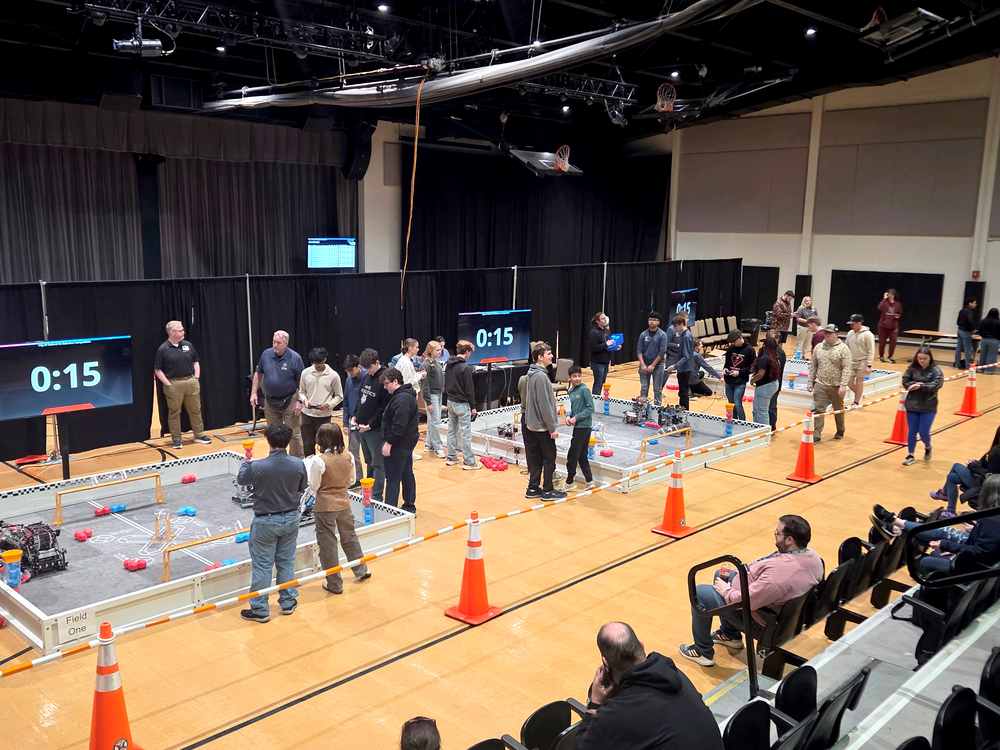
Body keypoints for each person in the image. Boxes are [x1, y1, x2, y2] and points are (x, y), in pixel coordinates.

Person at [679, 515, 823, 667]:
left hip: (764, 622)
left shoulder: (776, 579)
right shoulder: (812, 556)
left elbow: (745, 600)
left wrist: (727, 591)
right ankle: (729, 635)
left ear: (789, 540)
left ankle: (702, 651)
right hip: (777, 611)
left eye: (777, 533)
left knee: (699, 593)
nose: (775, 536)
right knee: (722, 575)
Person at [575, 622, 723, 750]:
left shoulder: (615, 714)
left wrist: (595, 704)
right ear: (641, 645)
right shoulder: (676, 674)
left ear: (606, 664)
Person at [236, 424, 307, 623]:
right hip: (291, 518)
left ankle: (260, 608)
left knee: (263, 565)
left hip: (265, 521)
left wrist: (247, 461)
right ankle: (288, 602)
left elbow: (242, 480)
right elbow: (303, 486)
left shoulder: (257, 466)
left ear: (268, 441)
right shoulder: (297, 463)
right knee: (286, 561)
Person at [872, 476, 1000, 575]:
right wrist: (976, 526)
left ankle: (896, 526)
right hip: (978, 555)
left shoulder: (990, 521)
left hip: (977, 566)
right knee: (941, 537)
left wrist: (951, 549)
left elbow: (982, 551)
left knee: (934, 550)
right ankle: (896, 527)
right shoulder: (992, 517)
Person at [304, 423, 371, 595]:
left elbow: (314, 485)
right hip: (344, 502)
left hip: (325, 505)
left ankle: (334, 583)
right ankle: (361, 569)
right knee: (350, 536)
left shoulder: (318, 461)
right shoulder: (348, 455)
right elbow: (351, 481)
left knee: (327, 544)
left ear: (321, 439)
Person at [153, 320, 212, 449]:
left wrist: (196, 377)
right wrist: (168, 384)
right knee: (174, 412)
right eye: (180, 330)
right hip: (174, 384)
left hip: (191, 381)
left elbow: (196, 362)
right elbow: (158, 369)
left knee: (195, 410)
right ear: (172, 333)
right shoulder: (163, 349)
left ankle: (199, 435)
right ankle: (176, 439)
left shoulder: (188, 345)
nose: (183, 332)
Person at [250, 330, 305, 458]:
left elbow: (302, 380)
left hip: (290, 400)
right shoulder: (266, 354)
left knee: (294, 434)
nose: (275, 345)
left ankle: (297, 461)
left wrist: (299, 401)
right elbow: (258, 373)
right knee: (273, 433)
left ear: (286, 343)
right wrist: (253, 393)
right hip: (271, 401)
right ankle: (275, 459)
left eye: (278, 343)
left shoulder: (295, 358)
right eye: (274, 342)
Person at [525, 342, 567, 500]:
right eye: (548, 354)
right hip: (542, 427)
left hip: (532, 425)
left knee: (536, 457)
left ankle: (533, 488)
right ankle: (548, 490)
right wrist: (551, 428)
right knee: (549, 458)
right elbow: (544, 405)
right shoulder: (541, 377)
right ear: (540, 357)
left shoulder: (531, 373)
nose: (551, 356)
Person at [930, 425, 1000, 515]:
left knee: (956, 466)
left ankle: (944, 493)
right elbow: (991, 466)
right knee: (952, 477)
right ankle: (950, 511)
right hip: (983, 479)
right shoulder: (995, 452)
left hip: (984, 483)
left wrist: (972, 466)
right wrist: (979, 462)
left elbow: (989, 473)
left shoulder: (997, 453)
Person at [380, 368, 419, 514]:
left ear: (396, 382)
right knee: (406, 473)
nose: (385, 387)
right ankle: (409, 506)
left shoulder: (401, 399)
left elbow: (399, 424)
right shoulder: (406, 395)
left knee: (392, 478)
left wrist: (389, 442)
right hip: (407, 443)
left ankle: (389, 512)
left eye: (386, 384)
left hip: (398, 444)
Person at [354, 349, 389, 503]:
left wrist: (370, 425)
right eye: (365, 368)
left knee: (378, 464)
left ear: (377, 363)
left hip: (375, 430)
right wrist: (355, 415)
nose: (367, 371)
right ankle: (368, 491)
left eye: (369, 367)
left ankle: (377, 495)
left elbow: (383, 409)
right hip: (363, 428)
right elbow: (361, 397)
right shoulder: (367, 377)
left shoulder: (384, 378)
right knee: (369, 461)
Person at [808, 324, 851, 442]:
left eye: (829, 333)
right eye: (825, 333)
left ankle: (840, 429)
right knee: (819, 409)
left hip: (836, 385)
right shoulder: (818, 347)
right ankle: (816, 434)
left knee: (838, 409)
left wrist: (843, 385)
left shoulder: (843, 349)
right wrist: (810, 382)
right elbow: (813, 366)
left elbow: (847, 368)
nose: (826, 335)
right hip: (820, 383)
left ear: (836, 334)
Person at [900, 345, 943, 466]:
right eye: (920, 358)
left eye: (925, 358)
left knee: (924, 431)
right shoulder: (912, 368)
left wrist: (922, 386)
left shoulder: (936, 370)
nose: (922, 361)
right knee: (912, 430)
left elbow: (937, 384)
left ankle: (928, 446)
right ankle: (910, 454)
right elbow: (905, 381)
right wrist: (912, 385)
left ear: (930, 358)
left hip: (929, 405)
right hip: (912, 404)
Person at [298, 347, 343, 457]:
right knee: (307, 445)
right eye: (314, 363)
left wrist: (328, 405)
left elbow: (339, 396)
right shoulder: (305, 373)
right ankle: (310, 469)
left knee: (325, 445)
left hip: (324, 416)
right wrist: (305, 401)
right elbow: (301, 391)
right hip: (307, 414)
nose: (317, 365)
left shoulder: (333, 375)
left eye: (319, 362)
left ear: (325, 359)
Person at [445, 340, 483, 470]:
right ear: (466, 352)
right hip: (462, 404)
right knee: (466, 433)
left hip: (450, 401)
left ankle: (451, 456)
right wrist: (473, 406)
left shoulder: (448, 364)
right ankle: (469, 461)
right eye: (470, 353)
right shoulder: (465, 367)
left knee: (452, 430)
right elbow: (469, 389)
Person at [565, 365, 596, 491]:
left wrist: (576, 418)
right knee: (582, 455)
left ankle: (569, 482)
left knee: (572, 455)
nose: (577, 379)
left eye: (579, 376)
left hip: (584, 427)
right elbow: (575, 408)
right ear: (569, 378)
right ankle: (589, 480)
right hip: (578, 426)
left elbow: (590, 408)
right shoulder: (571, 391)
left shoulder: (584, 390)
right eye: (574, 376)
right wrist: (570, 416)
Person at [395, 338, 426, 462]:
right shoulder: (406, 363)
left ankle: (407, 451)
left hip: (404, 397)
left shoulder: (404, 360)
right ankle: (408, 451)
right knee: (409, 426)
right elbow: (408, 382)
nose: (418, 349)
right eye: (416, 347)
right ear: (410, 348)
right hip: (407, 397)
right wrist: (420, 375)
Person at [341, 354, 365, 487]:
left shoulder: (367, 378)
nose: (349, 374)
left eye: (351, 371)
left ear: (359, 367)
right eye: (347, 371)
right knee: (353, 452)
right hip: (353, 423)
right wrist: (345, 423)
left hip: (367, 423)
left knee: (370, 455)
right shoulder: (349, 380)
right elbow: (345, 403)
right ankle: (358, 479)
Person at [420, 340, 446, 458]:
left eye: (440, 349)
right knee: (435, 422)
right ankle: (438, 447)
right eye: (437, 350)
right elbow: (424, 385)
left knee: (432, 421)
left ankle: (429, 444)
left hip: (438, 394)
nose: (440, 352)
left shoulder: (436, 362)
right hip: (432, 395)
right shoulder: (425, 365)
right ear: (430, 351)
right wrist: (428, 401)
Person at [665, 314, 696, 410]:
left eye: (676, 326)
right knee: (682, 391)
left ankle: (684, 411)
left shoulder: (686, 336)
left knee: (683, 392)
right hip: (683, 368)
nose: (675, 328)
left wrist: (675, 365)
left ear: (681, 324)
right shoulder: (684, 335)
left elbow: (686, 356)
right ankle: (682, 409)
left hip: (685, 368)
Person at [723, 330, 755, 421]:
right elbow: (727, 363)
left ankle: (742, 421)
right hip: (729, 380)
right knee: (731, 403)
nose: (733, 343)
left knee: (737, 403)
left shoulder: (750, 350)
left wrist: (739, 372)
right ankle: (733, 420)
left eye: (734, 341)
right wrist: (725, 369)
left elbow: (752, 368)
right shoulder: (731, 349)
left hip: (740, 381)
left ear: (740, 338)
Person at [750, 335, 782, 427]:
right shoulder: (776, 356)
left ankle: (762, 433)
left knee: (761, 410)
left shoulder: (764, 358)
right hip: (773, 383)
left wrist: (753, 380)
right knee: (758, 409)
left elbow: (761, 373)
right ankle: (756, 428)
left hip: (764, 386)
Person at [636, 312, 667, 406]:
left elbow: (662, 352)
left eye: (654, 320)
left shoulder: (662, 335)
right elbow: (639, 350)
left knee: (657, 388)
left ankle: (658, 407)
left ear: (658, 322)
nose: (652, 322)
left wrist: (653, 365)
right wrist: (642, 364)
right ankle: (643, 407)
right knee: (644, 387)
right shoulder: (643, 334)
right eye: (650, 320)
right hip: (644, 364)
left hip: (658, 365)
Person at [845, 314, 875, 407]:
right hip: (852, 361)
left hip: (863, 361)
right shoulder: (850, 333)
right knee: (848, 382)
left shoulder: (868, 335)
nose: (851, 326)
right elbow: (846, 347)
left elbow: (871, 350)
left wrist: (869, 365)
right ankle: (859, 394)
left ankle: (856, 402)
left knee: (859, 381)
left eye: (853, 324)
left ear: (859, 323)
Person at [589, 311, 615, 396]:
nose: (605, 320)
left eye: (605, 318)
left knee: (602, 383)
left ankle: (600, 400)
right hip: (597, 362)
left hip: (605, 361)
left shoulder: (607, 331)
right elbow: (594, 348)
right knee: (598, 384)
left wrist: (615, 346)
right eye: (603, 318)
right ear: (597, 321)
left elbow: (608, 346)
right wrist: (606, 344)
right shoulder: (594, 332)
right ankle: (595, 401)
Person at [766, 335, 787, 431]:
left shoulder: (780, 353)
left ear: (777, 339)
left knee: (772, 406)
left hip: (775, 383)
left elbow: (779, 370)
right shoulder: (765, 350)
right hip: (764, 384)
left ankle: (772, 427)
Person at [877, 289, 902, 363]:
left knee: (893, 342)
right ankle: (881, 356)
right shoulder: (884, 303)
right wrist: (884, 299)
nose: (890, 296)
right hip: (883, 326)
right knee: (882, 342)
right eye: (888, 294)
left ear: (894, 295)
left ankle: (890, 356)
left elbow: (899, 312)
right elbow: (879, 307)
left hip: (893, 326)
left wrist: (898, 316)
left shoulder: (898, 304)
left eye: (891, 294)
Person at [956, 297, 979, 369]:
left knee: (958, 348)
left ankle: (957, 365)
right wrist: (972, 329)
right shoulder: (969, 312)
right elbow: (970, 321)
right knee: (968, 349)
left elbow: (958, 321)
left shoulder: (962, 310)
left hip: (959, 330)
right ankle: (968, 366)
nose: (976, 305)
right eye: (974, 303)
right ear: (970, 303)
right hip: (966, 332)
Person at [979, 308, 1000, 375]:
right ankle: (989, 370)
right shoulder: (998, 322)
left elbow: (980, 330)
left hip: (984, 339)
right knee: (992, 355)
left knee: (983, 354)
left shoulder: (983, 321)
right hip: (994, 340)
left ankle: (981, 368)